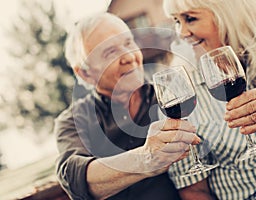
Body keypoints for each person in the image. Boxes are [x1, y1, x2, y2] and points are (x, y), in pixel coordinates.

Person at [158, 0, 256, 199]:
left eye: (190, 19)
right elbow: (194, 191)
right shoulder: (181, 91)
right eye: (177, 21)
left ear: (228, 15)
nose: (181, 32)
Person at [54, 12, 201, 200]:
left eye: (129, 42)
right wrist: (146, 158)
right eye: (110, 52)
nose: (129, 57)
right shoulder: (74, 120)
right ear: (85, 73)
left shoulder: (171, 95)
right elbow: (74, 178)